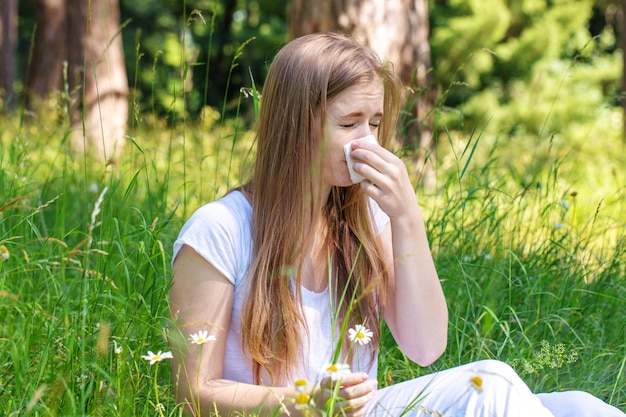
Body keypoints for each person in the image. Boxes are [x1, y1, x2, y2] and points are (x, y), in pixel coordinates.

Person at [169, 33, 625, 417]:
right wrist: (305, 401)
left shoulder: (366, 217)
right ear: (295, 125)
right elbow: (193, 393)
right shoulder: (220, 229)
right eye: (349, 123)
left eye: (375, 122)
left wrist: (407, 218)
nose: (366, 141)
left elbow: (425, 347)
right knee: (492, 382)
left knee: (582, 407)